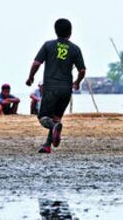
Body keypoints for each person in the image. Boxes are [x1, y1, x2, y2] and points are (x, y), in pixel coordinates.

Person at [26, 18, 86, 154]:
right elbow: (82, 70)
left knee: (43, 118)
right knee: (56, 117)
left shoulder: (48, 45)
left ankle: (54, 128)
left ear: (55, 31)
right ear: (70, 32)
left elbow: (36, 63)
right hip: (66, 89)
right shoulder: (75, 49)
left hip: (51, 87)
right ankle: (47, 145)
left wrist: (30, 77)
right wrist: (76, 82)